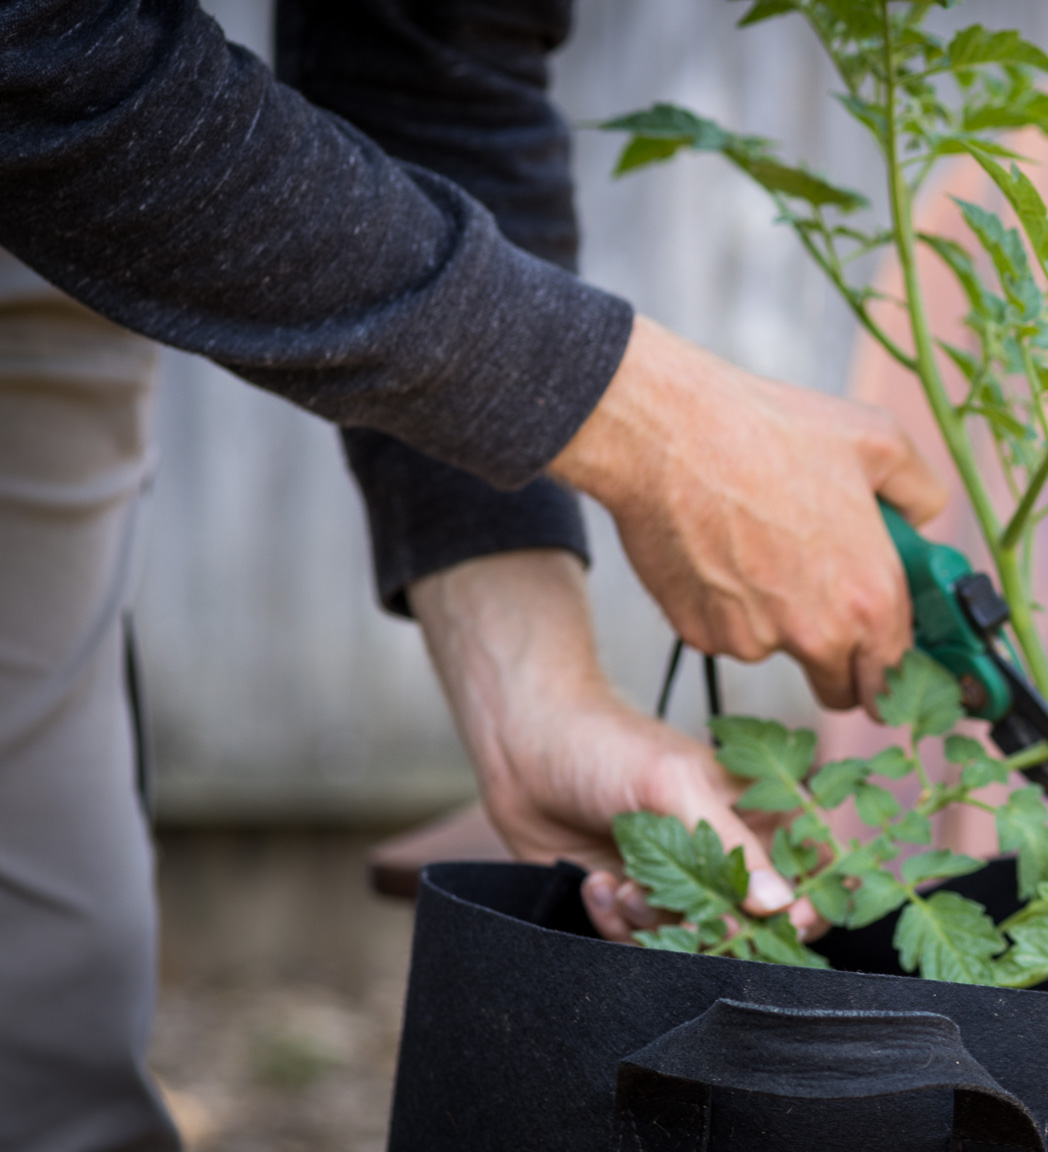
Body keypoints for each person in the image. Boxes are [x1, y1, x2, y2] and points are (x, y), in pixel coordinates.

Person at [0, 0, 943, 1147]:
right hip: (53, 108)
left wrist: (531, 692)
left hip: (57, 243)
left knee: (47, 1061)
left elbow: (428, 68)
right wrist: (657, 429)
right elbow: (34, 48)